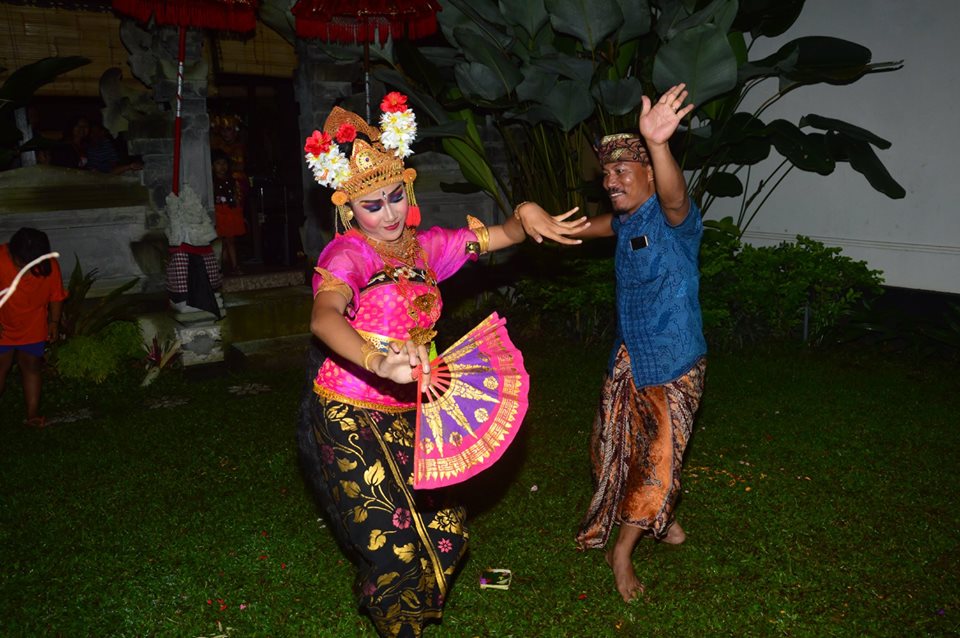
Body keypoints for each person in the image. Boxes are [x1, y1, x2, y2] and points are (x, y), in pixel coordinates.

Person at [301, 93, 588, 637]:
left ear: (407, 190)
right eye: (371, 206)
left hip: (416, 402)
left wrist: (524, 214)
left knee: (450, 536)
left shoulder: (425, 248)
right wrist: (377, 360)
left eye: (394, 198)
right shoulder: (348, 255)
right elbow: (324, 316)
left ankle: (397, 602)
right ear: (347, 209)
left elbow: (499, 236)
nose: (386, 215)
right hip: (349, 408)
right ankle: (397, 616)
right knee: (393, 541)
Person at [537, 83, 707, 602]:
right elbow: (596, 226)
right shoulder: (626, 220)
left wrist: (657, 141)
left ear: (650, 178)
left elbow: (674, 196)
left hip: (674, 360)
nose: (610, 180)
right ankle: (663, 520)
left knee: (658, 456)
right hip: (630, 354)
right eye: (606, 174)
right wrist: (546, 226)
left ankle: (623, 552)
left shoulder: (677, 221)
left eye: (621, 173)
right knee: (610, 444)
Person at [0, 228, 67, 428]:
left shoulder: (50, 266)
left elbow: (56, 296)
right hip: (3, 326)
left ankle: (32, 415)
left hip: (33, 327)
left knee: (31, 368)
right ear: (12, 253)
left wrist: (54, 322)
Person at [211, 150, 247, 275]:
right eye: (218, 163)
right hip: (218, 212)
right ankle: (218, 268)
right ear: (213, 166)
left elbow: (238, 196)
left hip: (230, 212)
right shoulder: (211, 182)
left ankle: (235, 265)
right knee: (219, 240)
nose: (222, 167)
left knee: (231, 240)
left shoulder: (232, 180)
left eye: (224, 163)